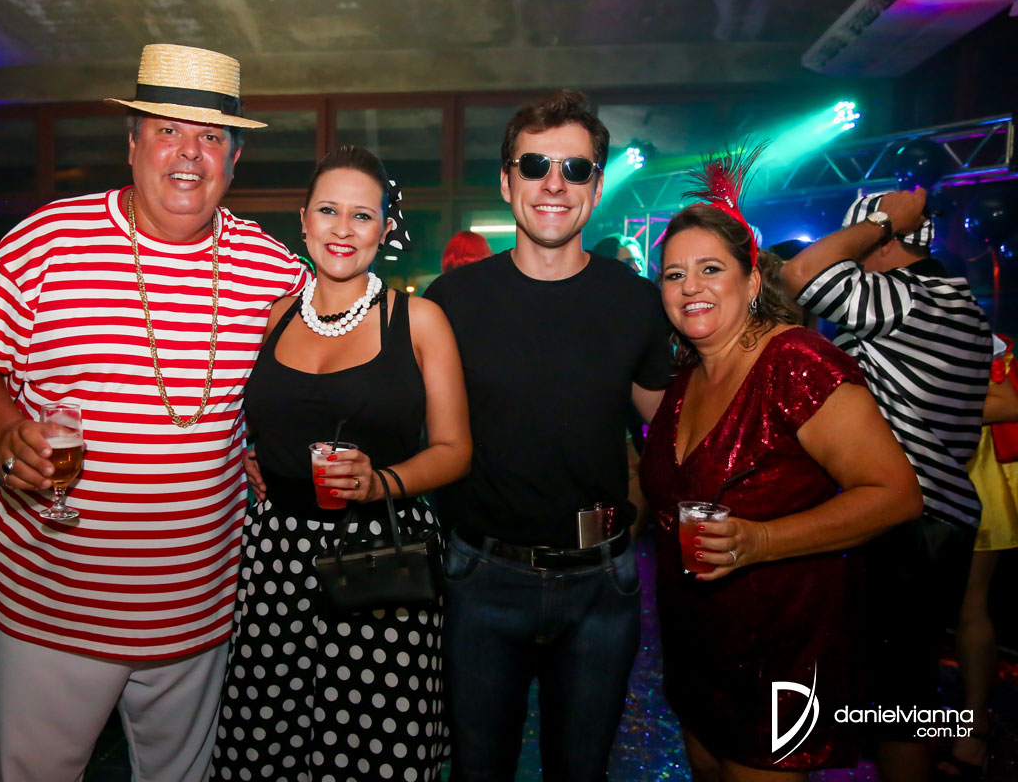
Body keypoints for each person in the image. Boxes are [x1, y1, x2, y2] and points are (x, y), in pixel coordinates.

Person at [0, 43, 308, 782]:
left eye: (211, 137)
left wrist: (269, 443)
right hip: (52, 603)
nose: (189, 153)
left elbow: (298, 384)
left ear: (234, 159)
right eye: (167, 130)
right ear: (132, 144)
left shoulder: (272, 268)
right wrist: (6, 431)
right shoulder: (51, 239)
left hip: (198, 606)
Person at [639, 152, 923, 779]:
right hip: (696, 644)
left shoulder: (796, 362)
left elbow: (896, 494)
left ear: (751, 282)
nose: (690, 287)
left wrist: (761, 540)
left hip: (779, 651)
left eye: (711, 269)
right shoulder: (687, 378)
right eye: (674, 274)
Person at [424, 89, 673, 781]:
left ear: (597, 185)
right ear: (508, 183)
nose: (554, 183)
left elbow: (676, 427)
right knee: (478, 772)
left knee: (581, 772)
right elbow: (393, 407)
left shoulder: (636, 302)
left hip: (601, 584)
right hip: (481, 579)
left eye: (575, 168)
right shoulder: (452, 302)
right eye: (535, 165)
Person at [214, 145, 471, 780]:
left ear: (384, 230)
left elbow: (455, 450)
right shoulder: (273, 318)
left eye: (363, 215)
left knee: (372, 748)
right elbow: (251, 415)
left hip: (381, 556)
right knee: (266, 742)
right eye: (329, 210)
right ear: (303, 221)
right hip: (276, 558)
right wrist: (250, 454)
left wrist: (380, 481)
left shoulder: (419, 320)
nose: (343, 229)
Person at [781, 190, 992, 782]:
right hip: (939, 518)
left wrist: (879, 221)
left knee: (897, 700)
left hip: (908, 523)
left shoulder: (902, 298)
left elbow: (801, 272)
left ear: (882, 244)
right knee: (902, 689)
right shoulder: (955, 301)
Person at [940, 334, 1018, 780]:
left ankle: (974, 731)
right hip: (912, 473)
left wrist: (910, 407)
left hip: (969, 473)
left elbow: (1006, 403)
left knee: (970, 604)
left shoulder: (956, 319)